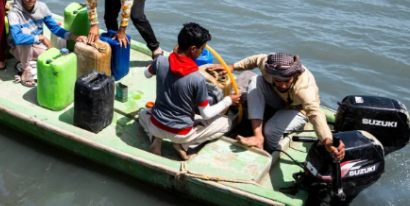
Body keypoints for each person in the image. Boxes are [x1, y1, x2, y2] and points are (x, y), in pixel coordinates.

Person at [214, 53, 345, 160]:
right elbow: (256, 59)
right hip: (280, 100)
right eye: (278, 81)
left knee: (271, 129)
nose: (283, 85)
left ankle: (269, 152)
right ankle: (258, 137)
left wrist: (327, 140)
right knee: (256, 80)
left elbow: (315, 113)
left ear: (293, 75)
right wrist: (232, 66)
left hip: (298, 109)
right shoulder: (269, 65)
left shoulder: (304, 88)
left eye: (287, 81)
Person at [138, 23, 240, 161]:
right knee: (226, 122)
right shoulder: (197, 78)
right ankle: (183, 145)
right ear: (193, 49)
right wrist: (228, 100)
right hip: (181, 133)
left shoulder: (161, 61)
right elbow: (206, 114)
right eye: (201, 49)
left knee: (142, 113)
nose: (201, 52)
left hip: (157, 126)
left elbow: (146, 74)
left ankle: (156, 141)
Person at [8, 0, 88, 87]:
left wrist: (74, 37)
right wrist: (41, 38)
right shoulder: (14, 14)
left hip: (36, 46)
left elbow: (55, 28)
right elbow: (17, 38)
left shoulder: (42, 7)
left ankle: (28, 62)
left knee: (56, 59)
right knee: (25, 33)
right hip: (18, 48)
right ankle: (25, 70)